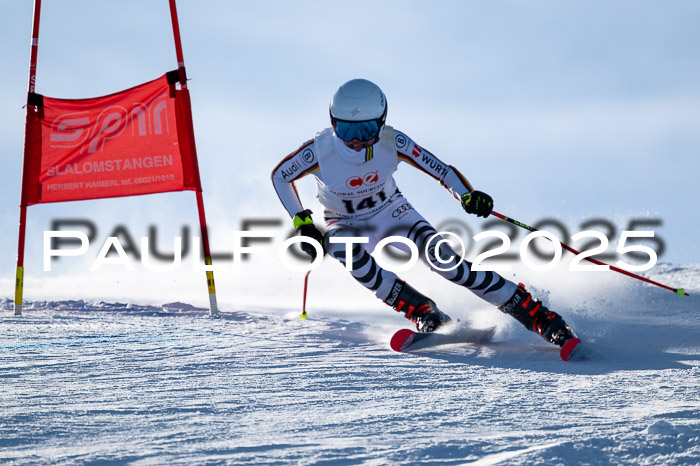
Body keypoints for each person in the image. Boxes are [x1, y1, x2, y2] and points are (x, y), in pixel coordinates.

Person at [271, 78, 576, 348]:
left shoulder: (392, 142)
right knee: (344, 250)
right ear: (333, 123)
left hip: (393, 212)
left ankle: (539, 316)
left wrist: (467, 196)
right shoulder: (320, 150)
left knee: (449, 265)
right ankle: (422, 311)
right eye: (347, 129)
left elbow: (441, 170)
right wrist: (303, 222)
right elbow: (280, 176)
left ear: (381, 122)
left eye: (367, 128)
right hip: (345, 222)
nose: (357, 138)